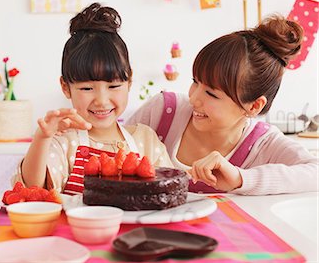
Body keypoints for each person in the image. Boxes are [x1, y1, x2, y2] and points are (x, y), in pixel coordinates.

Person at [127, 15, 318, 195]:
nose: (194, 98)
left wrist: (241, 178)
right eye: (195, 81)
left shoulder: (262, 144)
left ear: (254, 106)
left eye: (211, 93)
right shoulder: (162, 112)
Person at [13, 3, 173, 194]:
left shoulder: (145, 140)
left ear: (129, 81)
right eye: (87, 88)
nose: (101, 100)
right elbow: (33, 188)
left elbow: (171, 190)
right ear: (66, 87)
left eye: (113, 86)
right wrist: (42, 138)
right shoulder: (63, 141)